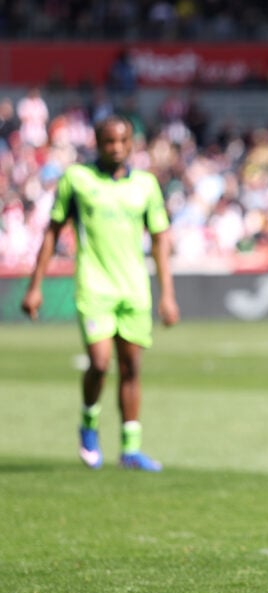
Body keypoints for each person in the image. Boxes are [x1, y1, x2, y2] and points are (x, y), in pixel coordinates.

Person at [21, 114, 179, 471]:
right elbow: (52, 230)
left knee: (131, 367)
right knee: (100, 362)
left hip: (134, 289)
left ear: (132, 144)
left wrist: (167, 294)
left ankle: (130, 448)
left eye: (123, 141)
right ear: (97, 142)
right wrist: (35, 285)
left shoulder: (147, 186)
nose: (117, 148)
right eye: (109, 142)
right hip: (94, 285)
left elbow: (159, 241)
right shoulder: (77, 179)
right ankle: (89, 426)